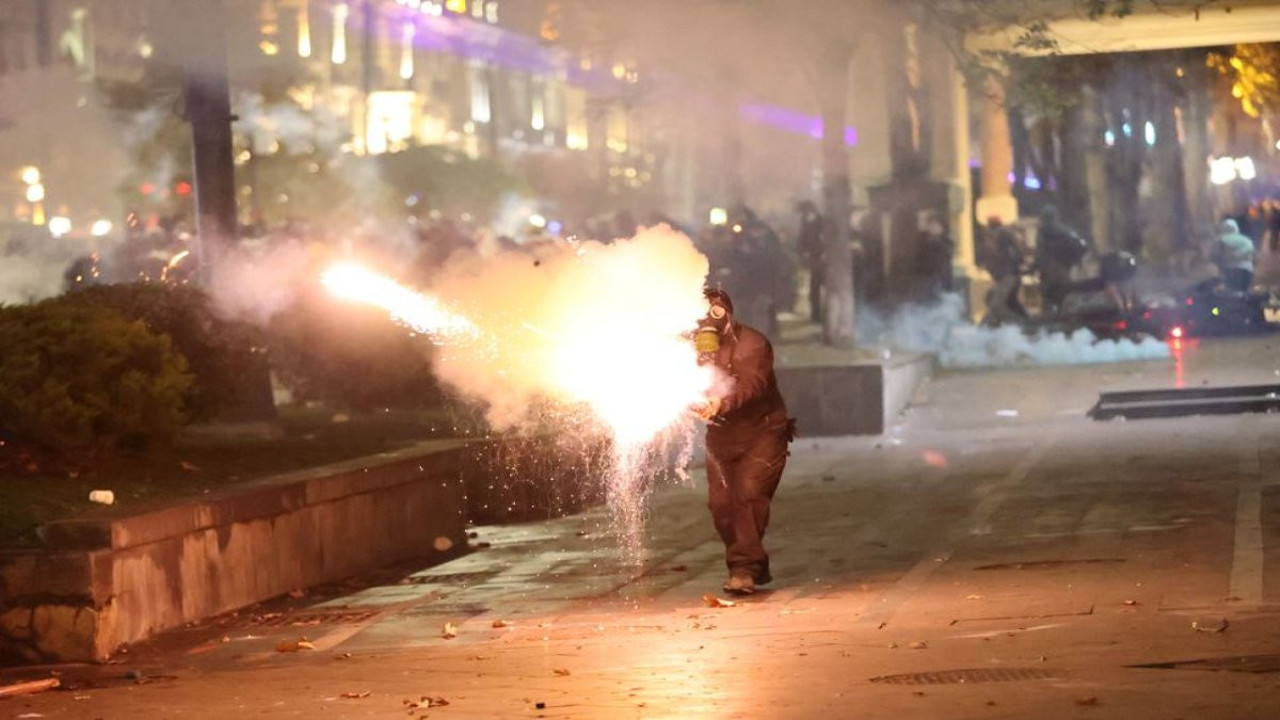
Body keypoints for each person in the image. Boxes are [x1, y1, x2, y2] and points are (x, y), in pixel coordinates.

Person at [692, 288, 794, 595]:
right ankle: (751, 562)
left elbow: (753, 385)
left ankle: (743, 568)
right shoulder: (690, 347)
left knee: (748, 495)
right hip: (721, 435)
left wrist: (720, 403)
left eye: (713, 312)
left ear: (725, 313)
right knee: (721, 505)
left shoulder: (752, 344)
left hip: (763, 433)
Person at [1035, 205, 1089, 316]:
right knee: (1062, 292)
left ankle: (1050, 318)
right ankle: (1063, 314)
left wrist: (1037, 266)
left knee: (1049, 293)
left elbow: (1041, 252)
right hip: (1065, 266)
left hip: (1051, 266)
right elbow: (1082, 245)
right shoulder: (1065, 230)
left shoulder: (1044, 231)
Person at [980, 217, 1029, 324]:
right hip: (1005, 275)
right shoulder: (997, 236)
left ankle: (1019, 323)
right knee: (1009, 301)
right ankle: (1024, 321)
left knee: (997, 304)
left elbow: (1017, 251)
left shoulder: (1001, 235)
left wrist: (1016, 263)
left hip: (1008, 275)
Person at [796, 201, 825, 322]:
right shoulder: (805, 221)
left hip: (821, 258)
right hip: (813, 259)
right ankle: (816, 315)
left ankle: (820, 314)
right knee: (814, 288)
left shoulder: (821, 221)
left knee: (820, 287)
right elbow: (802, 240)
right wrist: (804, 252)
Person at [1213, 218, 1256, 293]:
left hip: (1228, 270)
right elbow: (1253, 255)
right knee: (1243, 292)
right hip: (1246, 270)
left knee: (1231, 292)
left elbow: (1215, 256)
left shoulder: (1220, 240)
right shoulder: (1247, 240)